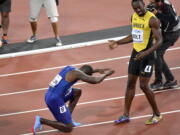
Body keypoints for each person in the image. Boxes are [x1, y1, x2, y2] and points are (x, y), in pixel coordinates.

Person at [108, 0, 163, 125]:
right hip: (135, 54)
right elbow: (134, 35)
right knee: (130, 84)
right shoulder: (133, 17)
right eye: (135, 9)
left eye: (139, 8)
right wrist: (118, 42)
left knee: (144, 86)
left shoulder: (152, 20)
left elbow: (159, 40)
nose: (137, 10)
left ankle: (157, 114)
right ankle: (125, 115)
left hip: (147, 55)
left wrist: (146, 53)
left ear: (144, 5)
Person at [32, 65, 114, 134]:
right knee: (68, 128)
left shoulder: (71, 68)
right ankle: (41, 120)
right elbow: (95, 80)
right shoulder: (78, 74)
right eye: (85, 77)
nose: (84, 78)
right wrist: (106, 75)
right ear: (83, 74)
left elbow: (84, 73)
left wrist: (96, 70)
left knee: (77, 92)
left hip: (51, 94)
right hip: (54, 100)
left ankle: (68, 118)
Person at [147, 0, 180, 91]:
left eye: (153, 2)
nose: (152, 3)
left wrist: (157, 14)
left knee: (157, 54)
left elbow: (172, 20)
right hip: (166, 32)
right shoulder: (156, 5)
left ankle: (159, 82)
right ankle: (170, 80)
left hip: (172, 33)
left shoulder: (167, 7)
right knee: (158, 55)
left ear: (160, 2)